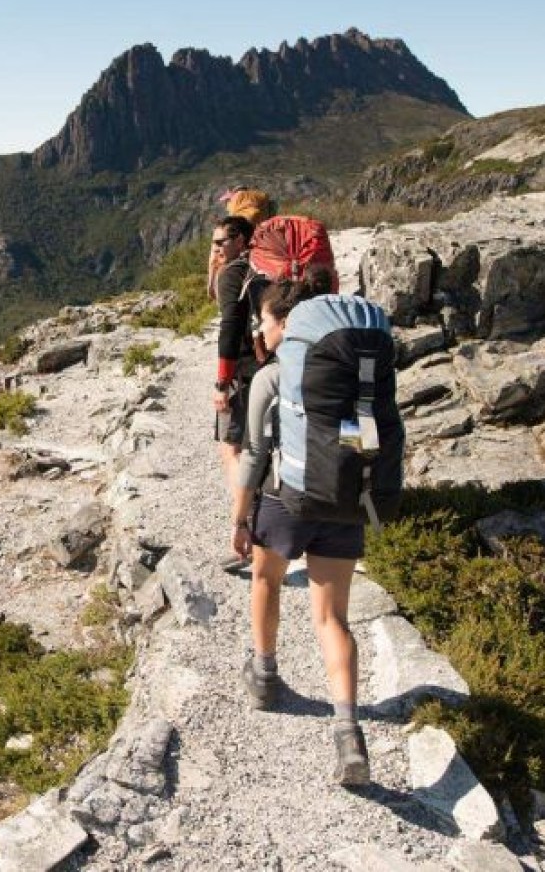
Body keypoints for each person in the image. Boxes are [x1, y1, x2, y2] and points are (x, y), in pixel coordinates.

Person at [229, 279, 370, 787]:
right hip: (343, 499)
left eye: (264, 319)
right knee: (333, 618)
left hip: (284, 499)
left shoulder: (272, 377)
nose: (259, 327)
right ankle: (348, 732)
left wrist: (240, 519)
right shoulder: (354, 374)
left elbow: (253, 454)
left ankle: (265, 676)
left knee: (265, 582)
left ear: (286, 324)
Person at [212, 215, 259, 509]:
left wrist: (222, 382)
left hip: (243, 369)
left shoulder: (232, 273)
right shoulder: (262, 267)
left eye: (220, 242)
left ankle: (245, 516)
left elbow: (230, 326)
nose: (215, 248)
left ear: (240, 239)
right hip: (274, 363)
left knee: (232, 446)